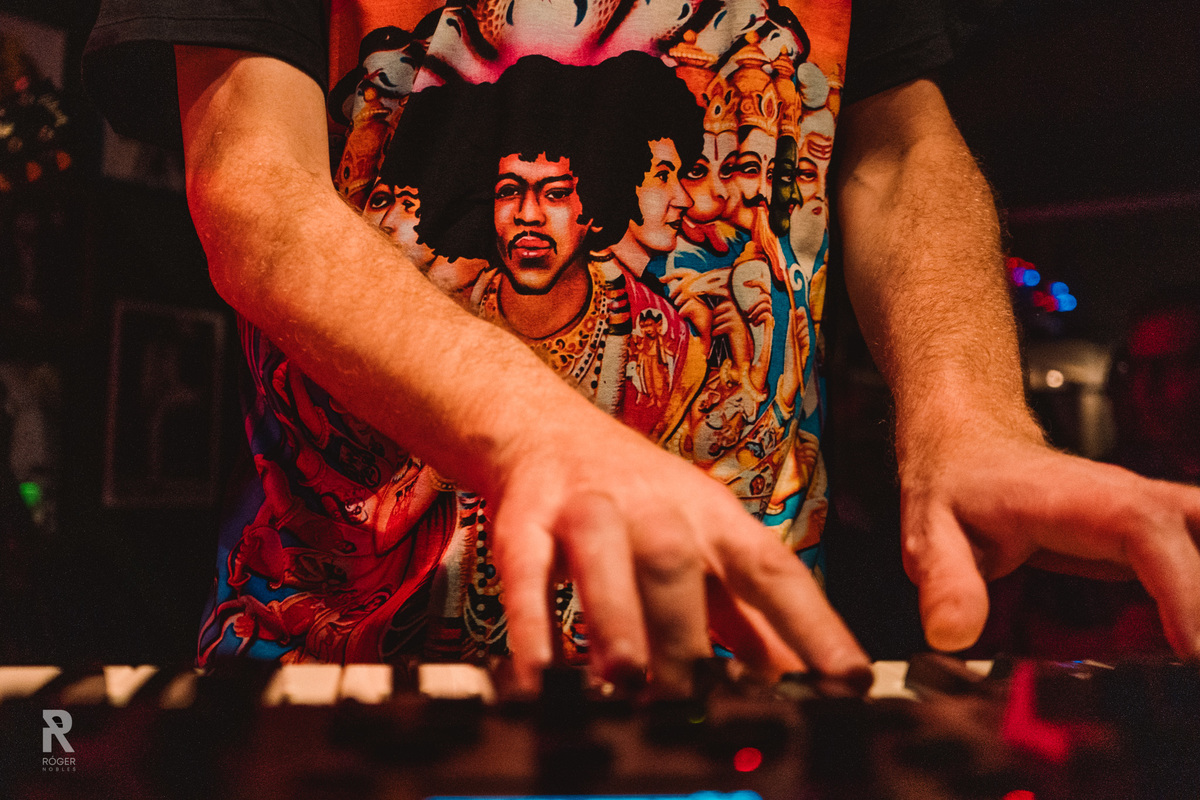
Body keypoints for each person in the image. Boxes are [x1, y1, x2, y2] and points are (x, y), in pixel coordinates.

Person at [82, 0, 1200, 695]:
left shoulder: (669, 337)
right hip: (336, 682)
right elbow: (253, 181)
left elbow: (895, 139)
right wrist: (534, 426)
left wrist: (970, 413)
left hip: (736, 688)